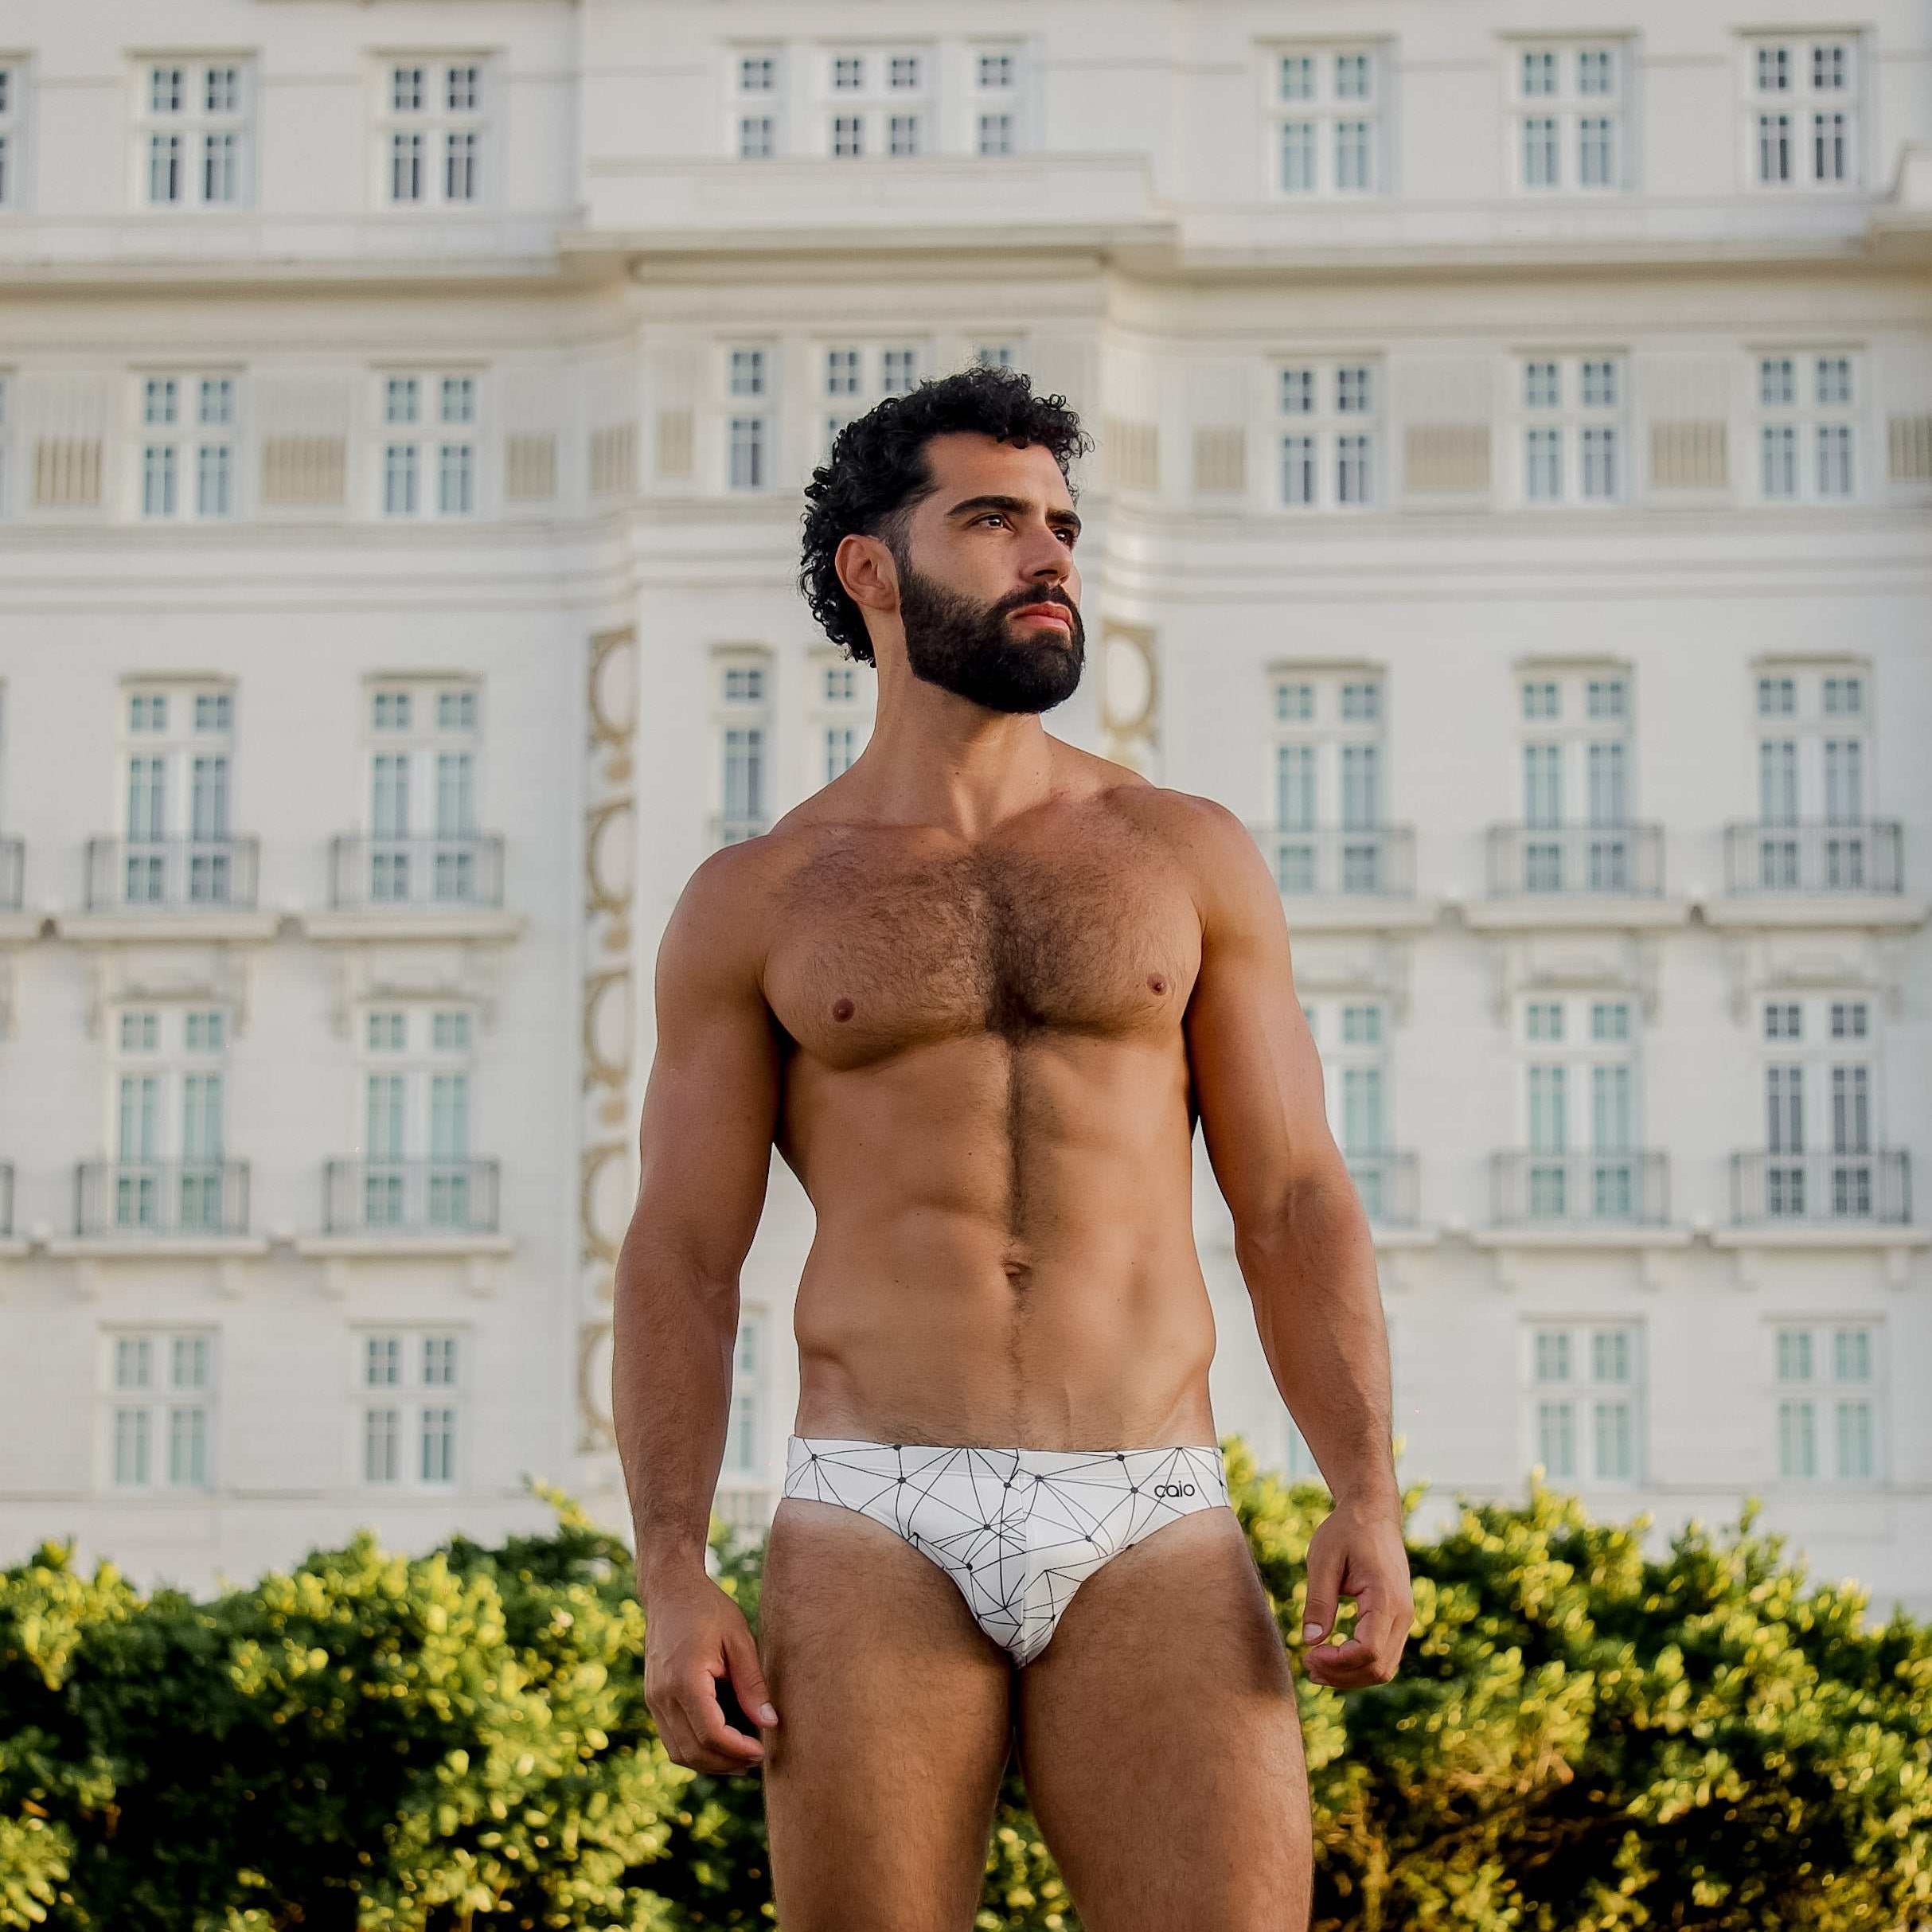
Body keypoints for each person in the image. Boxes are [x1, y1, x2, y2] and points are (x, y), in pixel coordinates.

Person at [611, 364, 1412, 1931]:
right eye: (991, 519)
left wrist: (1364, 1487)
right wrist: (668, 1570)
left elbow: (1293, 1193)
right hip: (871, 1506)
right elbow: (680, 1257)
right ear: (871, 568)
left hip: (1150, 1504)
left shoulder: (1182, 853)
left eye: (1059, 521)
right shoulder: (759, 898)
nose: (1048, 552)